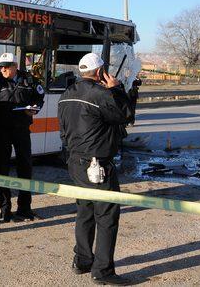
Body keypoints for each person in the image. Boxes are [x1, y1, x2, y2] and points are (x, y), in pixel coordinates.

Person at [57, 53, 132, 286]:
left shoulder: (66, 94)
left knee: (85, 211)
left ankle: (82, 260)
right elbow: (125, 115)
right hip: (97, 164)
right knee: (107, 215)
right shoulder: (101, 94)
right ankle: (103, 271)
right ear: (100, 72)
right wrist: (117, 89)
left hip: (75, 161)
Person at [0, 52, 45, 222]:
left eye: (6, 66)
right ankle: (5, 210)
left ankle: (25, 209)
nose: (2, 69)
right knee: (1, 169)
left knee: (25, 168)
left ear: (15, 66)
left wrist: (35, 108)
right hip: (2, 130)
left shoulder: (28, 80)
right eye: (1, 66)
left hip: (22, 130)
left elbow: (39, 97)